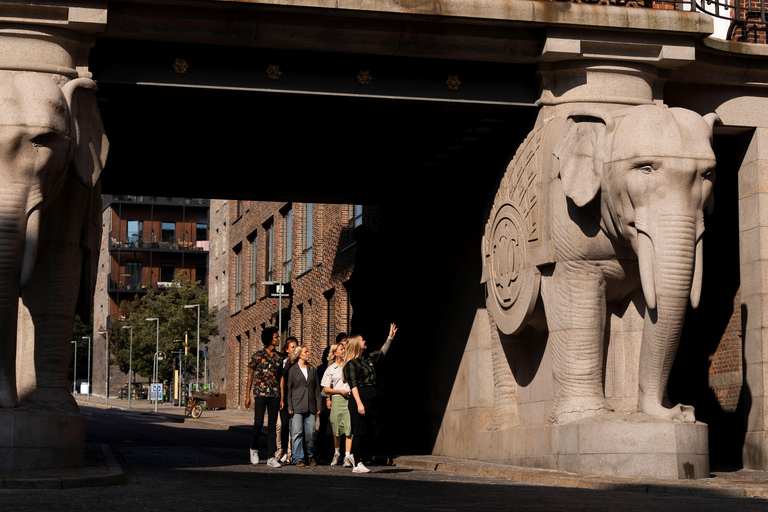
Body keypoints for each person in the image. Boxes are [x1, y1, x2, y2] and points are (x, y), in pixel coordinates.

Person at [343, 323, 398, 473]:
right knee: (359, 431)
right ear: (356, 344)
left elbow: (381, 353)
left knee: (373, 428)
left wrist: (390, 338)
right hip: (359, 400)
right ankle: (357, 464)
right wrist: (360, 404)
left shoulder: (367, 359)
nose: (365, 341)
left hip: (371, 400)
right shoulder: (350, 364)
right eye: (362, 340)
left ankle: (355, 455)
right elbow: (353, 385)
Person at [244, 326, 283, 468]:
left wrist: (282, 396)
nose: (279, 339)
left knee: (272, 426)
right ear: (269, 339)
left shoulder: (279, 357)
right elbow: (250, 375)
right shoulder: (257, 355)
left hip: (274, 394)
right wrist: (247, 396)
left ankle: (271, 457)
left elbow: (281, 377)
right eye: (276, 337)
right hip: (260, 394)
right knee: (258, 423)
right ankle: (253, 449)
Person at [285, 345, 322, 466]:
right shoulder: (292, 370)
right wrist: (289, 406)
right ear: (299, 354)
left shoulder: (312, 369)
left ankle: (309, 455)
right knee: (297, 432)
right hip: (296, 405)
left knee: (311, 432)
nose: (308, 354)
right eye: (306, 352)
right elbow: (289, 389)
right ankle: (298, 458)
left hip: (311, 405)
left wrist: (319, 406)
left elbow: (317, 389)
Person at [321, 337, 353, 466]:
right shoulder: (331, 369)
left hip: (349, 400)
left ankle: (347, 456)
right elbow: (326, 388)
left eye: (344, 349)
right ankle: (337, 453)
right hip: (337, 400)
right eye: (341, 349)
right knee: (336, 430)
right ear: (335, 353)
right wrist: (338, 392)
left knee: (349, 429)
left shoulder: (349, 365)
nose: (344, 351)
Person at [276, 336, 298, 464]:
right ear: (287, 349)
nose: (295, 349)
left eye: (296, 347)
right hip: (284, 396)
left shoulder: (299, 363)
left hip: (296, 396)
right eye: (292, 347)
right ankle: (283, 450)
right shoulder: (284, 362)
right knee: (284, 424)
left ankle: (291, 452)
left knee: (294, 427)